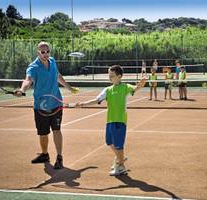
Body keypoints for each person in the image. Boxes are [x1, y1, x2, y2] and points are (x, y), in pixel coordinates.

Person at [15, 41, 78, 169]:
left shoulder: (53, 61)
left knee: (56, 130)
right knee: (43, 133)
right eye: (42, 52)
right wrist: (22, 90)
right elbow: (28, 80)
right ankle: (45, 155)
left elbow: (58, 76)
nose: (45, 54)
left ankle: (59, 157)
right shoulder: (33, 67)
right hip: (41, 106)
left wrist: (69, 88)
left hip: (56, 103)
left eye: (47, 51)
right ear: (38, 52)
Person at [75, 65, 146, 176]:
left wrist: (141, 83)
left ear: (119, 76)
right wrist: (83, 104)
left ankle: (121, 166)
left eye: (112, 76)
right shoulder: (107, 90)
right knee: (109, 142)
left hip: (120, 121)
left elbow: (137, 88)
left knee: (118, 145)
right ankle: (120, 157)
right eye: (109, 75)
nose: (110, 78)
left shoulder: (125, 87)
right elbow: (96, 100)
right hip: (110, 120)